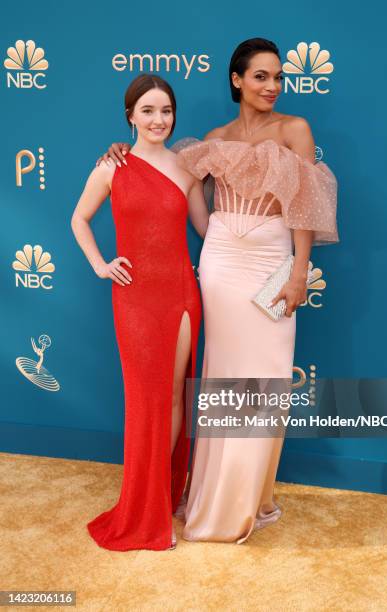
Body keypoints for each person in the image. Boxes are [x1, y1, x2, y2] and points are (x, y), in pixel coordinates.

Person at [99, 37, 338, 544]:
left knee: (267, 377)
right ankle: (210, 495)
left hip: (272, 259)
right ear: (237, 80)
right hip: (221, 262)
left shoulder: (295, 130)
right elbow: (166, 180)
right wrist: (120, 149)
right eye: (260, 76)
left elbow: (306, 209)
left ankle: (253, 497)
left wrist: (299, 271)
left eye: (278, 77)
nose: (272, 86)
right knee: (221, 376)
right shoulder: (213, 137)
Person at [71, 74, 208, 551]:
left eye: (166, 110)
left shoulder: (187, 167)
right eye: (147, 111)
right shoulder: (112, 166)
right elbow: (78, 218)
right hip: (134, 300)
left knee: (173, 400)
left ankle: (158, 502)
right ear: (130, 116)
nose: (158, 120)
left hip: (182, 295)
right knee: (144, 404)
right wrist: (100, 265)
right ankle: (142, 511)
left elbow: (206, 229)